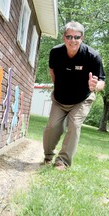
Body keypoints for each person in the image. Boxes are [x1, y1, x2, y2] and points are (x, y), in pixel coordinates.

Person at [43, 21, 105, 170]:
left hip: (82, 99)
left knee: (75, 125)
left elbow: (102, 81)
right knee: (52, 127)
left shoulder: (92, 56)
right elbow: (52, 72)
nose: (73, 40)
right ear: (64, 38)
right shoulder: (55, 52)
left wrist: (95, 86)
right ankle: (48, 155)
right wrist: (58, 86)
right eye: (69, 37)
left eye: (76, 37)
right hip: (59, 99)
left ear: (82, 38)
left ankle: (62, 161)